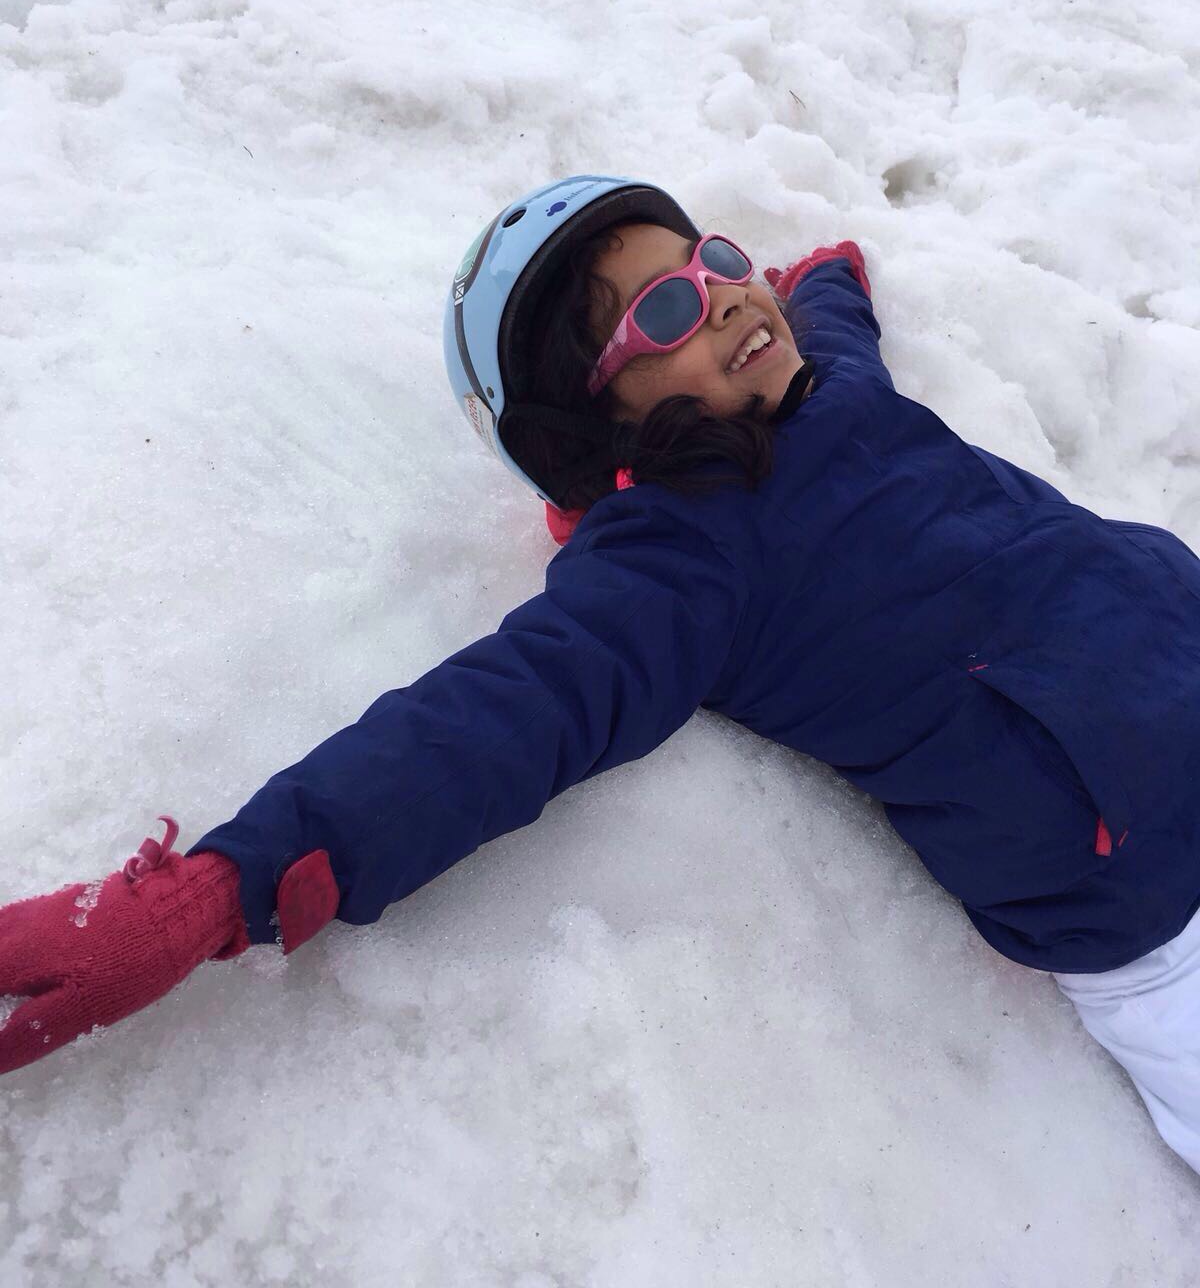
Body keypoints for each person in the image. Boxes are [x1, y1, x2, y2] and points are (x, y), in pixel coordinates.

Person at [2, 174, 1199, 1176]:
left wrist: (828, 270)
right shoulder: (682, 561)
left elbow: (825, 307)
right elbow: (493, 721)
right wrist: (219, 887)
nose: (723, 294)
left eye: (712, 260)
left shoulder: (828, 378)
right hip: (1149, 887)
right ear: (592, 428)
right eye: (665, 310)